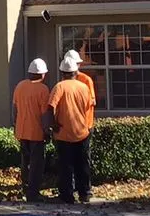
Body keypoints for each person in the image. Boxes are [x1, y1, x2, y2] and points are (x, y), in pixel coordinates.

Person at [45, 55, 93, 204]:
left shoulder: (59, 87)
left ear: (62, 72)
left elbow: (50, 107)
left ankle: (67, 195)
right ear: (75, 72)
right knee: (82, 164)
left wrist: (53, 124)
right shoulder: (84, 87)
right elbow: (88, 108)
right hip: (82, 132)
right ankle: (84, 193)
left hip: (63, 134)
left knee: (66, 166)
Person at [12, 58, 50, 202]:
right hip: (36, 133)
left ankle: (25, 188)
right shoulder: (43, 89)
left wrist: (15, 124)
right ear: (42, 74)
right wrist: (47, 131)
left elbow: (15, 108)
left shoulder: (20, 86)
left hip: (22, 131)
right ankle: (33, 193)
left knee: (25, 162)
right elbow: (45, 114)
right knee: (36, 164)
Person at [63, 49, 97, 127]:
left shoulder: (86, 79)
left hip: (85, 123)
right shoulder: (65, 80)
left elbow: (92, 101)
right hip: (71, 123)